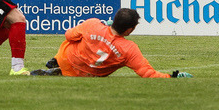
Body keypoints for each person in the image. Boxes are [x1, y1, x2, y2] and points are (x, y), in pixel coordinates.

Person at [34, 8, 191, 78]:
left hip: (67, 59)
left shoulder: (93, 23)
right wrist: (172, 77)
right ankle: (58, 68)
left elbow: (68, 35)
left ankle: (56, 63)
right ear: (129, 30)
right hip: (85, 74)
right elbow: (147, 73)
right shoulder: (129, 48)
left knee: (73, 39)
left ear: (113, 20)